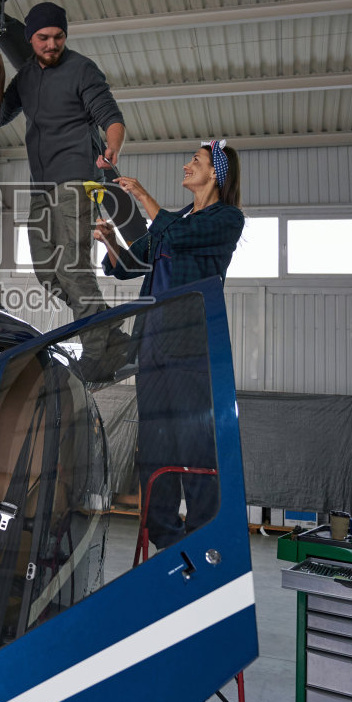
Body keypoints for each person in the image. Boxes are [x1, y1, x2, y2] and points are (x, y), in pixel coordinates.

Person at [95, 142, 244, 551]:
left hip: (190, 345)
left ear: (216, 174)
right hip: (152, 343)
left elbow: (177, 238)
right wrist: (110, 241)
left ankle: (202, 537)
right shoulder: (173, 220)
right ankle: (163, 536)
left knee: (194, 443)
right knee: (155, 443)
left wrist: (142, 195)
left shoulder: (226, 219)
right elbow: (129, 267)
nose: (186, 165)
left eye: (195, 161)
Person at [0, 1, 125, 345]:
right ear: (29, 38)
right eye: (43, 38)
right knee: (48, 273)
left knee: (72, 267)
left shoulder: (82, 69)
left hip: (78, 178)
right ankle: (109, 330)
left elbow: (110, 116)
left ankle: (99, 349)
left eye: (58, 37)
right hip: (42, 185)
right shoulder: (26, 77)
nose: (52, 44)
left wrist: (113, 147)